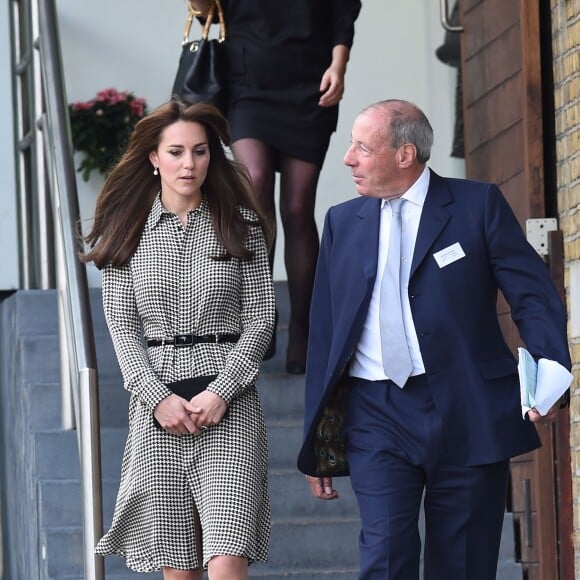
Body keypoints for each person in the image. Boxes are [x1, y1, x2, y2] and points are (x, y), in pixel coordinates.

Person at [297, 99, 572, 579]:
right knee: (384, 556)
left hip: (466, 406)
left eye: (362, 147)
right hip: (375, 411)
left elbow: (531, 294)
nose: (348, 158)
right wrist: (316, 436)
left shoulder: (476, 204)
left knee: (462, 563)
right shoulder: (343, 222)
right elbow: (325, 332)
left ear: (405, 154)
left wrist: (551, 369)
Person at [82, 100, 276, 579]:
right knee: (178, 567)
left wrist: (222, 391)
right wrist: (156, 399)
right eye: (176, 152)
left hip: (229, 405)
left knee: (228, 554)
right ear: (153, 157)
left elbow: (261, 316)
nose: (189, 164)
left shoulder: (241, 224)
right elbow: (122, 327)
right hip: (158, 407)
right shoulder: (124, 231)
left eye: (200, 151)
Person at [185, 0, 361, 373]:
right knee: (255, 185)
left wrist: (339, 65)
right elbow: (206, 10)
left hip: (311, 83)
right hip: (247, 83)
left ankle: (302, 328)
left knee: (297, 208)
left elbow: (343, 10)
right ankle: (259, 316)